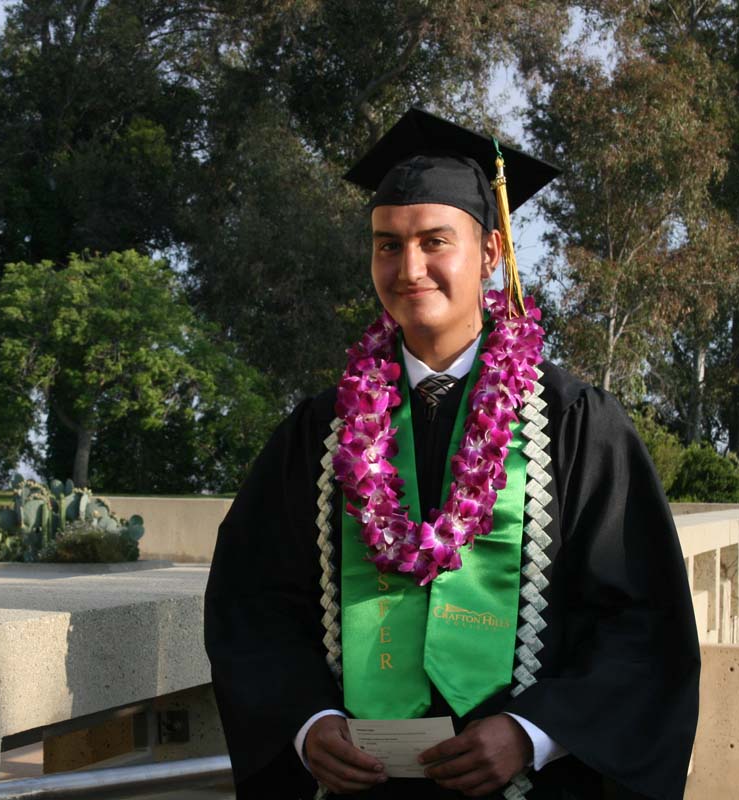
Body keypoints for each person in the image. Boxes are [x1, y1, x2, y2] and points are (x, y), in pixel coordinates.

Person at [204, 107, 700, 800]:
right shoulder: (319, 434)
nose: (409, 268)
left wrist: (534, 732)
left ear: (491, 254)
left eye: (435, 241)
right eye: (386, 245)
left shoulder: (572, 424)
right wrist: (306, 723)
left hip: (524, 784)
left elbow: (642, 619)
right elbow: (253, 603)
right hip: (362, 786)